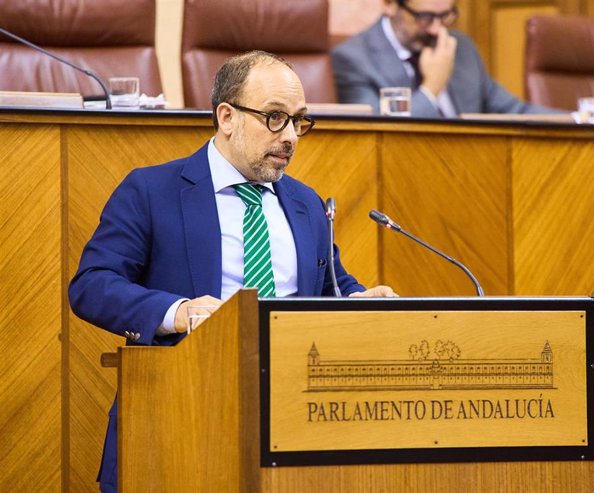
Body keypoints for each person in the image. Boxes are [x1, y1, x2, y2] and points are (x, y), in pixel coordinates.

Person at [68, 50, 396, 493]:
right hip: (181, 415)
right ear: (226, 116)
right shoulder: (152, 190)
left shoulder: (306, 204)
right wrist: (178, 311)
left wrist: (357, 302)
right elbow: (92, 285)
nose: (292, 136)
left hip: (293, 421)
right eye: (275, 117)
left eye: (300, 120)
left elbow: (329, 286)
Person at [331, 0, 561, 118]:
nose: (437, 29)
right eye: (425, 17)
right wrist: (432, 89)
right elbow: (378, 136)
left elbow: (513, 111)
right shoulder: (353, 59)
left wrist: (581, 119)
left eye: (446, 15)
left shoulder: (462, 47)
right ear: (390, 4)